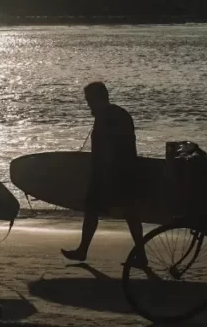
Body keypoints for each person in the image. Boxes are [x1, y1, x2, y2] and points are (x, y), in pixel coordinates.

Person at [61, 82, 147, 267]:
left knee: (95, 211)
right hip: (126, 171)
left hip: (111, 174)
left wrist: (101, 176)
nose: (88, 105)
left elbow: (108, 150)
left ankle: (83, 251)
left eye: (89, 101)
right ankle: (140, 255)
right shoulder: (118, 113)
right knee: (129, 214)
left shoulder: (106, 117)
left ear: (98, 99)